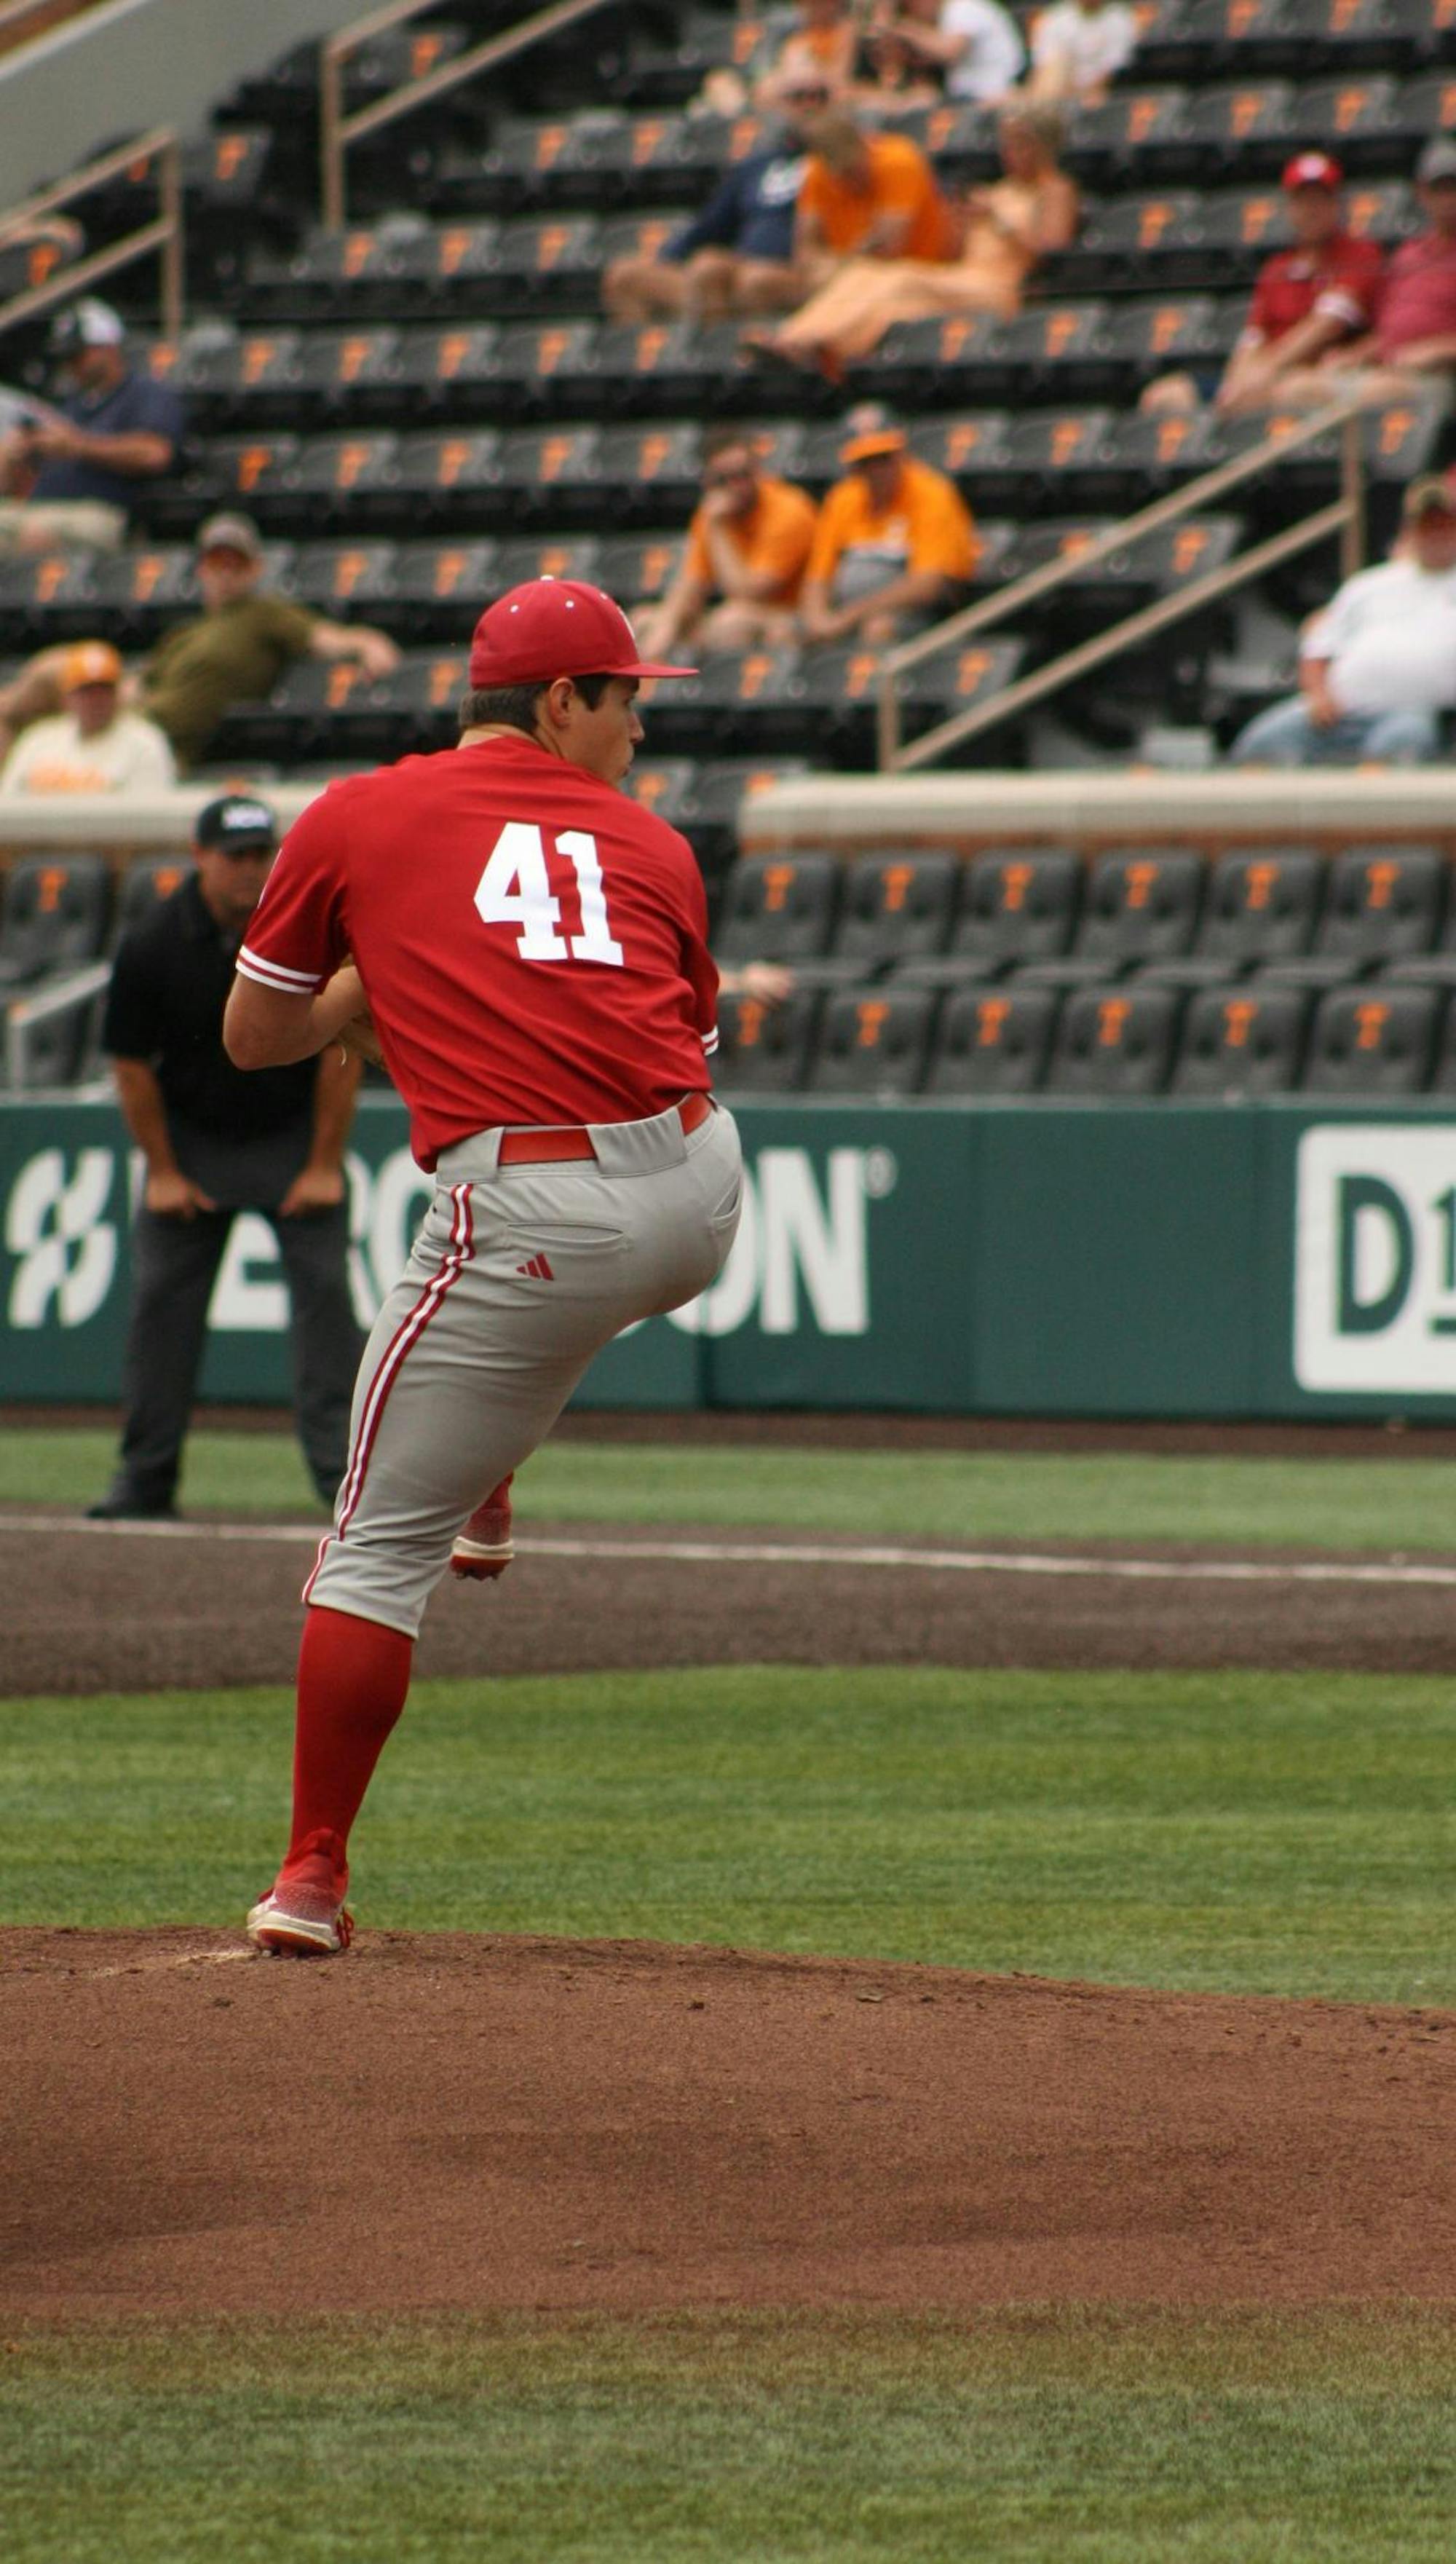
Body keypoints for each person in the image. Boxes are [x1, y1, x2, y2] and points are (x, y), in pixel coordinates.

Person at [221, 580, 744, 1955]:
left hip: (535, 1219)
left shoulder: (355, 815)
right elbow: (672, 1018)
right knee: (560, 1284)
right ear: (560, 701)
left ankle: (310, 1881)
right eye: (627, 698)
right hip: (701, 1194)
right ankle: (487, 1461)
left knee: (368, 1549)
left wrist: (369, 978)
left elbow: (254, 1042)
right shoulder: (654, 845)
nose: (640, 726)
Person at [87, 793, 366, 1524]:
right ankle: (144, 1478)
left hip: (289, 1138)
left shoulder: (307, 932)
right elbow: (129, 1063)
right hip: (193, 1142)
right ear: (200, 856)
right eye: (235, 854)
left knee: (327, 1304)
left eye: (260, 854)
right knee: (160, 1311)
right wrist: (165, 1170)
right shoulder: (152, 942)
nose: (250, 869)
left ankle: (343, 1484)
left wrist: (324, 1162)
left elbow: (343, 1052)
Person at [751, 103, 1077, 375]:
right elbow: (955, 250)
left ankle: (817, 342)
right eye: (1008, 144)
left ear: (1044, 146)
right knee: (867, 272)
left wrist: (999, 220)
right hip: (962, 278)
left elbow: (1052, 247)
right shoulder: (996, 191)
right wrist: (958, 220)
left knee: (900, 276)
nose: (1011, 153)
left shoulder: (1055, 189)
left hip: (999, 286)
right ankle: (797, 338)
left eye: (1021, 144)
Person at [1229, 474, 1456, 766]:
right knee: (1262, 743)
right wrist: (1319, 696)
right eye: (1428, 525)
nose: (1437, 534)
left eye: (1445, 524)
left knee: (1399, 746)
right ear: (1409, 529)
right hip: (1338, 712)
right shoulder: (1368, 584)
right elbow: (1318, 649)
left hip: (1414, 713)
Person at [1142, 154, 1386, 418]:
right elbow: (1252, 338)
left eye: (1320, 199)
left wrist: (1265, 373)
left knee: (1291, 392)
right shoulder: (1278, 267)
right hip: (1266, 375)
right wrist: (1237, 383)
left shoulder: (1360, 254)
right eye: (1302, 200)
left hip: (1312, 373)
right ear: (1289, 207)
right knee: (1165, 396)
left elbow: (1325, 327)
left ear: (1336, 204)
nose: (1311, 209)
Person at [602, 73, 827, 323]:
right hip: (732, 274)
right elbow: (710, 227)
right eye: (798, 97)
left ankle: (717, 354)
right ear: (778, 105)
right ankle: (670, 357)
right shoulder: (755, 166)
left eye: (819, 96)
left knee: (725, 273)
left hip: (792, 276)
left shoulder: (843, 162)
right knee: (626, 276)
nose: (809, 104)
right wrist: (665, 258)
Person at [1273, 135, 1456, 409]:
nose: (1447, 198)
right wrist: (1353, 355)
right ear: (1422, 193)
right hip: (1387, 368)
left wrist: (1439, 350)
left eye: (1452, 188)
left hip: (1437, 377)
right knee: (1297, 388)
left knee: (1375, 393)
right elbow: (1388, 331)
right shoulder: (1409, 254)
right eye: (1438, 189)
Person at [0, 298, 185, 555]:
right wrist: (13, 455)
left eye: (78, 355)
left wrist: (77, 446)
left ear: (109, 347)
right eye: (66, 357)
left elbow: (155, 454)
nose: (70, 365)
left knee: (35, 536)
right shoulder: (69, 404)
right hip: (39, 509)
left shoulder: (144, 394)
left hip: (101, 513)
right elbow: (11, 484)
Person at [799, 402, 979, 644]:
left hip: (917, 616)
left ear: (900, 453)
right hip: (843, 615)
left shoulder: (932, 493)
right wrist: (816, 618)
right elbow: (818, 576)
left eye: (883, 458)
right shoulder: (844, 497)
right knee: (780, 630)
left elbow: (928, 585)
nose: (875, 470)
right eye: (865, 462)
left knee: (878, 628)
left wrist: (851, 616)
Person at [637, 429, 818, 660]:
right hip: (742, 613)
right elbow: (692, 584)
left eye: (743, 475)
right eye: (724, 479)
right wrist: (665, 625)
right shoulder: (712, 511)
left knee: (731, 622)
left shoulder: (789, 510)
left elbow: (748, 593)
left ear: (757, 471)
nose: (737, 486)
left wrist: (718, 529)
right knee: (645, 621)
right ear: (708, 482)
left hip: (795, 618)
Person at [0, 639, 175, 794]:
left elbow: (147, 816)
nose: (96, 700)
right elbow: (7, 803)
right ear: (66, 697)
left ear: (118, 695)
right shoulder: (38, 739)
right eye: (86, 691)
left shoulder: (145, 742)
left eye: (104, 690)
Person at [868, 0, 1025, 105]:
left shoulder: (964, 7)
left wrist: (898, 25)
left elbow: (950, 50)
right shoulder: (945, 17)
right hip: (964, 98)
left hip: (996, 93)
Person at [1027, 0, 1138, 106]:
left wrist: (1085, 92)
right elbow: (1044, 66)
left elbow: (1114, 68)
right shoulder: (1056, 18)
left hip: (1101, 92)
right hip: (1060, 88)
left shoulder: (1120, 19)